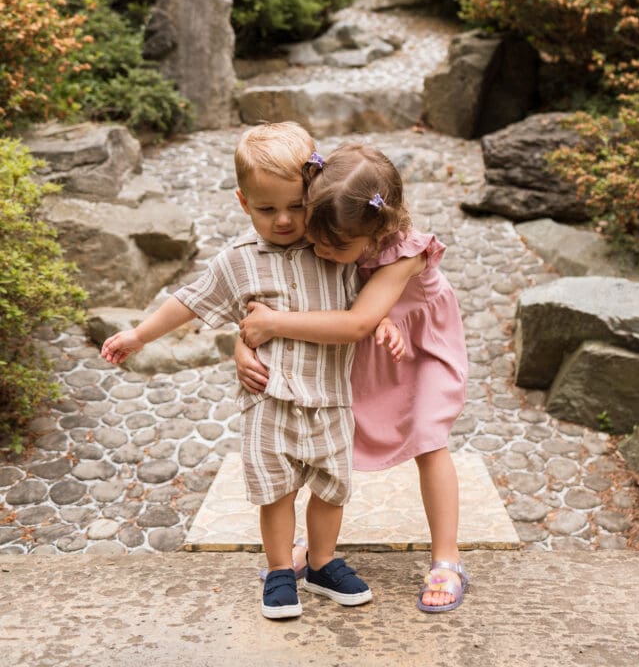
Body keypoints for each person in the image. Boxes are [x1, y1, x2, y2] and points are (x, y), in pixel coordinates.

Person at [101, 123, 404, 620]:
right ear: (244, 202)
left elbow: (364, 300)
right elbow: (189, 301)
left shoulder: (333, 246)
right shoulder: (237, 261)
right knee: (276, 489)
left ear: (316, 194)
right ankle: (281, 570)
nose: (284, 220)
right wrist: (140, 334)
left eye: (296, 206)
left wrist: (384, 321)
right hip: (268, 399)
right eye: (267, 209)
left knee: (331, 486)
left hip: (329, 398)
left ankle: (323, 562)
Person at [237, 142, 469, 614]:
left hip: (418, 347)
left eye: (334, 247)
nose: (320, 250)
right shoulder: (333, 224)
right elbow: (264, 297)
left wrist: (274, 325)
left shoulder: (405, 252)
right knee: (318, 440)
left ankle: (447, 556)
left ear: (378, 229)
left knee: (429, 437)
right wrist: (242, 343)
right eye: (316, 238)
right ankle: (307, 551)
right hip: (367, 348)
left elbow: (357, 321)